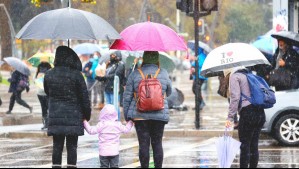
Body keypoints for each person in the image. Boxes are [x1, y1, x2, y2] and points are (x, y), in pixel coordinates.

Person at [44, 46, 91, 168]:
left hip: (56, 115)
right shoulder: (77, 75)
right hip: (73, 116)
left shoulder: (49, 74)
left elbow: (48, 92)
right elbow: (84, 98)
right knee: (72, 147)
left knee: (57, 146)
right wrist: (87, 115)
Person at [123, 51, 172, 168]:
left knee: (143, 145)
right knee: (157, 144)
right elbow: (169, 92)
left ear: (144, 59)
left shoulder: (135, 73)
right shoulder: (163, 73)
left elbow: (127, 96)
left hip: (140, 115)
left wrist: (127, 115)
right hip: (159, 114)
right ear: (157, 59)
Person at [225, 67, 266, 168]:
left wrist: (230, 119)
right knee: (254, 145)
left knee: (245, 146)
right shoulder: (250, 75)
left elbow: (235, 98)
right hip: (260, 113)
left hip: (248, 114)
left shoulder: (235, 77)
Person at [190, 47, 208, 129]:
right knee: (195, 89)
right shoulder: (199, 55)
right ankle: (200, 103)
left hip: (200, 76)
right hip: (197, 76)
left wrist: (195, 61)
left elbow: (200, 64)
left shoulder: (202, 56)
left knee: (196, 89)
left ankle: (201, 103)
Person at [35, 60, 52, 130]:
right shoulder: (50, 70)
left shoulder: (39, 69)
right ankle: (47, 123)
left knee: (44, 108)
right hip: (48, 93)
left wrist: (38, 76)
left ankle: (45, 123)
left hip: (40, 93)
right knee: (49, 108)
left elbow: (34, 80)